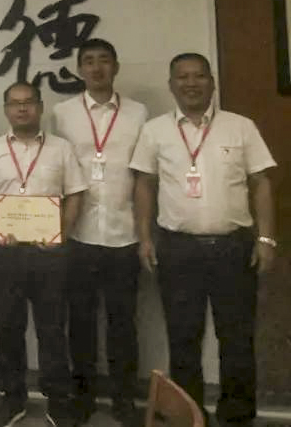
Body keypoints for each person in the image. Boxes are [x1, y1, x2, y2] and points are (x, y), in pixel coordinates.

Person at [131, 53, 276, 427]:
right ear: (171, 85)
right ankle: (190, 417)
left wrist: (266, 238)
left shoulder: (240, 127)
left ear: (212, 82)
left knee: (237, 338)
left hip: (233, 248)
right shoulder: (154, 131)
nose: (191, 84)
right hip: (178, 249)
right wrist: (144, 238)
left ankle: (237, 417)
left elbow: (261, 182)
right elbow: (144, 184)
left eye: (199, 76)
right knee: (183, 339)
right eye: (183, 77)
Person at [0, 81, 86, 427]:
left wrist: (61, 231)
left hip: (49, 253)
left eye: (29, 102)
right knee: (8, 327)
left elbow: (75, 193)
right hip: (6, 253)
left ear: (40, 107)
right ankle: (13, 397)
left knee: (52, 329)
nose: (22, 108)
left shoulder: (61, 148)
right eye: (15, 103)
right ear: (6, 109)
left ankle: (57, 400)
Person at [51, 39, 148, 425]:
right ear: (79, 69)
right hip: (79, 234)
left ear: (116, 66)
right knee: (81, 322)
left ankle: (124, 399)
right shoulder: (62, 113)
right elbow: (55, 169)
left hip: (124, 234)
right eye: (88, 62)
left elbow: (143, 174)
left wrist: (145, 232)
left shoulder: (138, 113)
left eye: (104, 61)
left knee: (123, 323)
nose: (96, 68)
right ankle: (84, 397)